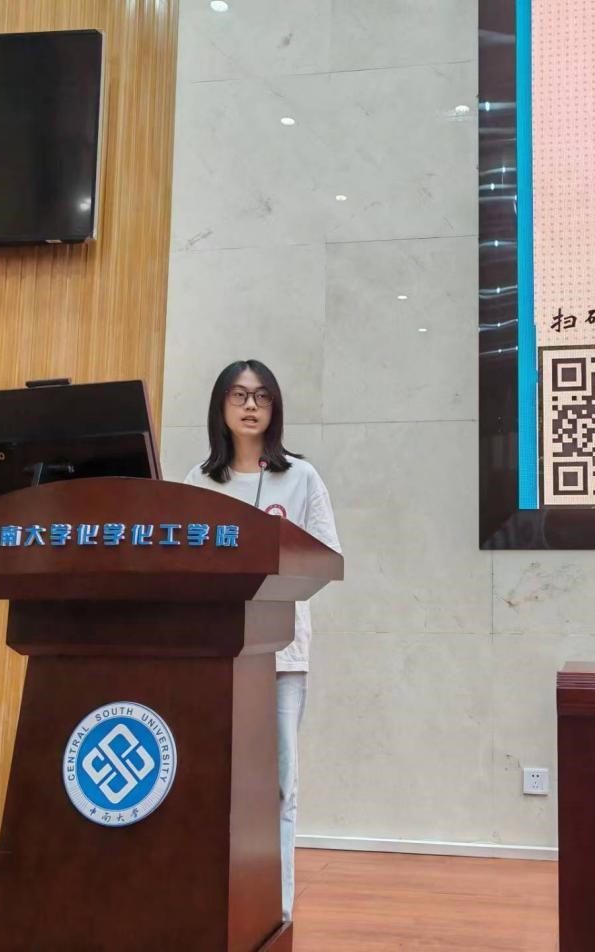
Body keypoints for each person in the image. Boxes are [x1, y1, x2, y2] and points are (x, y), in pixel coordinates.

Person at [183, 358, 340, 922]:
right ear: (220, 406)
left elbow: (326, 558)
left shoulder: (301, 477)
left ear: (274, 408)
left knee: (279, 786)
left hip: (281, 656)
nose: (250, 406)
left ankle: (277, 912)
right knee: (211, 780)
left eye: (262, 396)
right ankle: (210, 902)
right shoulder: (199, 482)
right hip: (213, 654)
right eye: (238, 395)